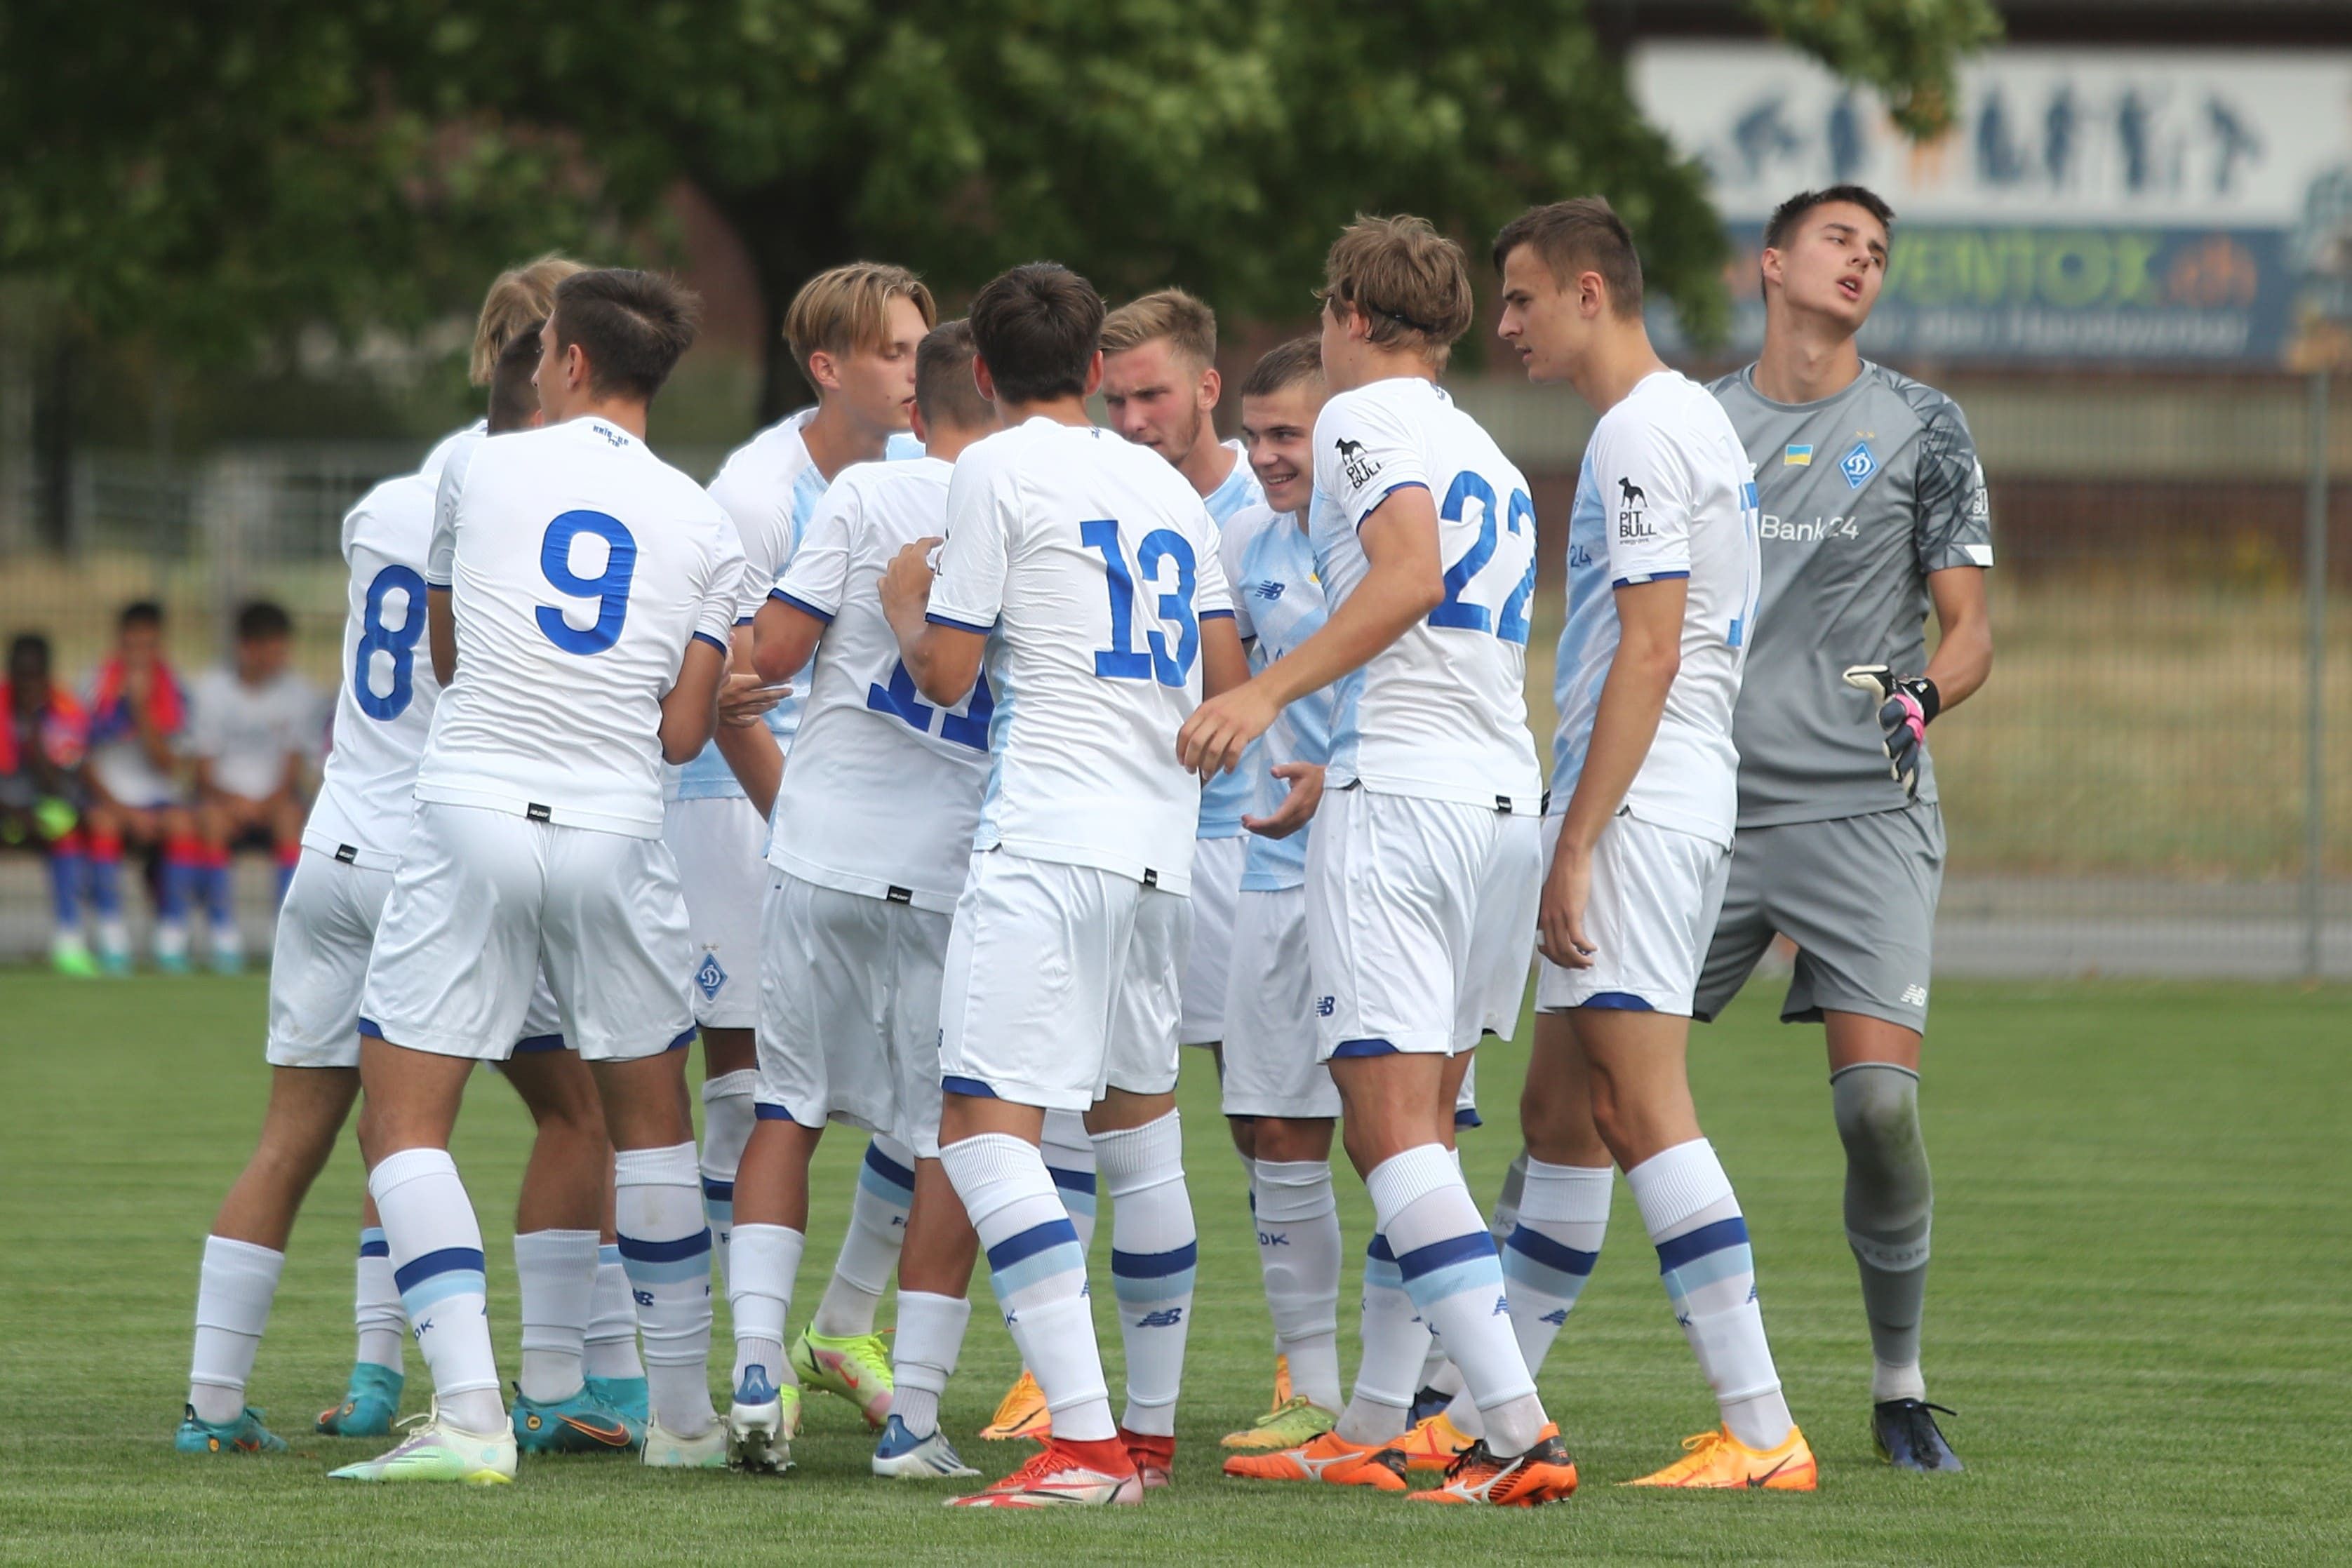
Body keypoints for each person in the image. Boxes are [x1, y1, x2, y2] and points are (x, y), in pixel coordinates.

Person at [175, 327, 629, 1462]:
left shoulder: (382, 502)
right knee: (572, 1115)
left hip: (335, 849)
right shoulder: (525, 508)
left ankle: (218, 1402)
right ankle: (547, 1385)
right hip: (442, 857)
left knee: (307, 1138)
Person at [1185, 215, 1577, 1507]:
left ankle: (1511, 1429)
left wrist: (1265, 696)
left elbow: (1404, 579)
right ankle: (1373, 1419)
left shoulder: (1362, 418)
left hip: (1403, 800)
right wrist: (1321, 755)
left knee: (1389, 1132)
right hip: (1489, 796)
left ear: (1349, 312)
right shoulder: (1486, 449)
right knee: (1424, 1129)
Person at [335, 268, 744, 1484]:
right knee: (650, 1123)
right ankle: (683, 1421)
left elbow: (451, 656)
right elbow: (683, 733)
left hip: (472, 807)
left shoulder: (479, 468)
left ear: (563, 360)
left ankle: (468, 1418)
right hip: (620, 819)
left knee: (403, 1118)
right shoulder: (705, 520)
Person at [881, 261, 1245, 1507]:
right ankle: (1142, 1434)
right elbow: (1223, 663)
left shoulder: (989, 466)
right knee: (1141, 1142)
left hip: (1045, 834)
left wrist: (901, 602)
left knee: (982, 1132)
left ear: (980, 373)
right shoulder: (1162, 481)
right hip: (1159, 842)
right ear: (1096, 369)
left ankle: (1084, 1448)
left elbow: (947, 669)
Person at [1485, 196, 1813, 1490]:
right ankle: (1480, 1408)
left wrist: (1576, 842)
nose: (1503, 323)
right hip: (1672, 794)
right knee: (1558, 1116)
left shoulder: (1634, 431)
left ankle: (1759, 1427)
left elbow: (1655, 644)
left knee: (1635, 1104)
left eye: (1518, 297)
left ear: (1585, 291)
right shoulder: (1688, 419)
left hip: (1641, 803)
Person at [1697, 185, 1992, 1473]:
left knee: (1876, 1108)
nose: (1861, 260)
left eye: (1878, 250)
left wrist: (1931, 689)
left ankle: (1897, 1384)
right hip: (1702, 809)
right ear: (1772, 263)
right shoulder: (1695, 427)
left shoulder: (1922, 423)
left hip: (1864, 808)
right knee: (1580, 1086)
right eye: (1837, 240)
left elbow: (1970, 628)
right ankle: (1459, 1377)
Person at [719, 319, 998, 1480]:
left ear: (916, 407)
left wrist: (741, 676)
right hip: (955, 866)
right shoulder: (1043, 500)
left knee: (785, 1108)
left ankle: (751, 1375)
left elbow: (772, 655)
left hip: (823, 848)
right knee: (951, 1136)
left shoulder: (861, 495)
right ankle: (914, 1418)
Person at [688, 263, 937, 1414]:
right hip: (745, 817)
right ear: (829, 368)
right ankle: (716, 1360)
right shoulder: (757, 492)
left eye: (923, 349)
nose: (913, 371)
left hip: (852, 826)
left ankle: (840, 1326)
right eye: (893, 351)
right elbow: (737, 697)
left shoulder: (919, 475)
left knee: (917, 1089)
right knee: (750, 1091)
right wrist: (804, 827)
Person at [1093, 286, 1283, 1415]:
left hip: (1242, 846)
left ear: (1208, 388)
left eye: (1152, 394)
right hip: (1123, 842)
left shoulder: (1274, 506)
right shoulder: (1095, 495)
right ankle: (1039, 1376)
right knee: (1083, 1101)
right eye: (1112, 398)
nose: (1131, 418)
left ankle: (1302, 1367)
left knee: (1265, 1118)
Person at [1201, 339, 1350, 1458]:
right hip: (1267, 864)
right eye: (1254, 436)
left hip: (1373, 856)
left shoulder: (1384, 538)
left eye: (1286, 434)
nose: (1264, 456)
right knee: (1269, 1125)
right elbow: (1222, 684)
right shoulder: (1242, 537)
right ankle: (1315, 1384)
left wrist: (1339, 782)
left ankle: (1410, 1380)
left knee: (1401, 1124)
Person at [185, 599, 321, 972]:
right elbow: (202, 768)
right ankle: (223, 934)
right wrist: (236, 802)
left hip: (275, 804)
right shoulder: (212, 691)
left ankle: (283, 931)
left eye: (284, 648)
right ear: (247, 648)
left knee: (291, 819)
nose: (282, 657)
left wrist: (265, 804)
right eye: (273, 649)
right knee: (211, 822)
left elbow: (294, 767)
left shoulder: (299, 693)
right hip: (224, 804)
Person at [81, 601, 198, 973]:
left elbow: (169, 765)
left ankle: (171, 937)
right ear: (119, 643)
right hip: (111, 803)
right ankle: (112, 935)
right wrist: (122, 811)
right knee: (102, 824)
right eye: (131, 646)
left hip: (159, 801)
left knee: (182, 825)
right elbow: (80, 761)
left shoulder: (175, 690)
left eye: (148, 647)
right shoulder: (93, 686)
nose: (139, 656)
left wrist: (142, 709)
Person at [1, 633, 96, 976]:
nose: (27, 684)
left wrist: (32, 732)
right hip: (8, 812)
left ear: (46, 676)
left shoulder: (65, 710)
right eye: (20, 675)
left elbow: (60, 785)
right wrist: (13, 813)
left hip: (42, 811)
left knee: (66, 832)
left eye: (34, 676)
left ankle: (69, 940)